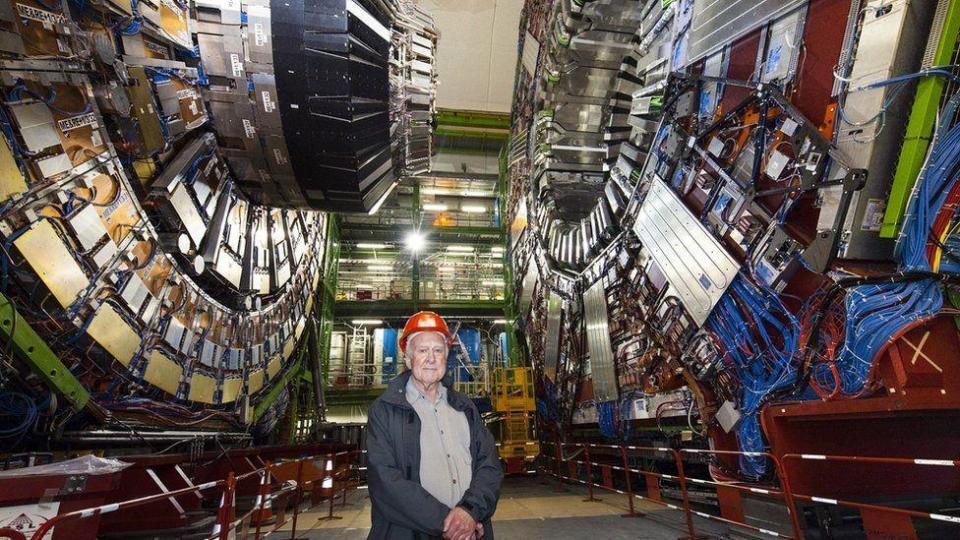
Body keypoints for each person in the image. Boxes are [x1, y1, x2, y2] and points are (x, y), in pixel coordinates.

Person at [366, 311, 503, 540]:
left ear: (446, 356)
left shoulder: (465, 408)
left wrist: (470, 511)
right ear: (408, 359)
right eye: (422, 350)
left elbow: (489, 466)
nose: (431, 358)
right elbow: (385, 482)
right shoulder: (384, 411)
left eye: (438, 350)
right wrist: (451, 524)